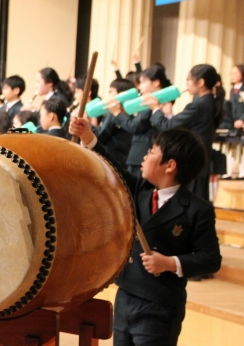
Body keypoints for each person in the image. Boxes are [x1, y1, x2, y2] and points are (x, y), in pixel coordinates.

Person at [69, 118, 222, 346]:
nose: (144, 156)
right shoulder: (141, 190)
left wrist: (170, 263)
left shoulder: (197, 210)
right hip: (126, 297)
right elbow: (113, 166)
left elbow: (211, 259)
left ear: (170, 166)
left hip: (159, 306)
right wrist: (87, 137)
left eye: (152, 152)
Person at [144, 64, 225, 201]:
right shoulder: (210, 102)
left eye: (189, 79)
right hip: (201, 161)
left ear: (200, 82)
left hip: (192, 160)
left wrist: (156, 108)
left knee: (190, 205)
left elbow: (168, 127)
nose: (186, 83)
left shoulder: (198, 105)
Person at [107, 65, 172, 176]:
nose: (140, 86)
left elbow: (134, 126)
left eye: (143, 82)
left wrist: (117, 113)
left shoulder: (153, 102)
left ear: (156, 83)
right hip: (139, 156)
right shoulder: (152, 101)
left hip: (142, 156)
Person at [96, 78, 135, 168]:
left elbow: (101, 135)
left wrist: (88, 124)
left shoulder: (115, 114)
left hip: (112, 162)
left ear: (122, 95)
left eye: (111, 92)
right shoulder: (130, 114)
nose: (109, 95)